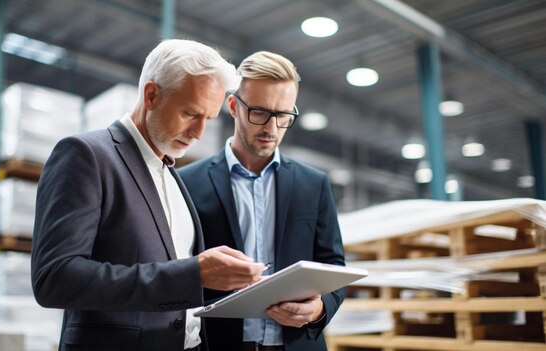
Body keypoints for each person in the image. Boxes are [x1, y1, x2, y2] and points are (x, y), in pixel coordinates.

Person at [31, 39, 265, 351]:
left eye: (207, 119)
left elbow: (171, 278)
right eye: (190, 113)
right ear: (151, 95)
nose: (199, 133)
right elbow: (55, 278)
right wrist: (192, 273)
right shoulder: (87, 155)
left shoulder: (170, 172)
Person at [179, 51, 346, 351]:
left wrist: (319, 309)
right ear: (233, 106)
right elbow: (178, 270)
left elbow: (334, 266)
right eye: (260, 112)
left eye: (283, 115)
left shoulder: (314, 184)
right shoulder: (189, 183)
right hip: (219, 344)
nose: (272, 127)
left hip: (296, 344)